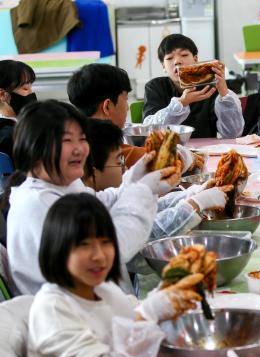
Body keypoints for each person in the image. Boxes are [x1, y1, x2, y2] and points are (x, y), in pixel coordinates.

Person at [28, 193, 202, 357]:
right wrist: (151, 311)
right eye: (84, 245)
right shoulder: (52, 309)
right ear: (58, 248)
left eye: (105, 242)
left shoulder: (103, 290)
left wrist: (169, 291)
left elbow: (135, 318)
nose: (99, 255)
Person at [5, 100, 178, 295]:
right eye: (67, 141)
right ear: (34, 148)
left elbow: (98, 203)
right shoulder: (37, 205)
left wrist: (134, 180)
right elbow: (113, 248)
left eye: (82, 139)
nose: (80, 149)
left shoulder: (62, 184)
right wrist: (142, 191)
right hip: (71, 315)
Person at [83, 118, 229, 238]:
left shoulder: (96, 197)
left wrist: (192, 193)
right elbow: (148, 233)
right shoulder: (82, 215)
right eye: (119, 162)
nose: (125, 168)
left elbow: (146, 206)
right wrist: (195, 204)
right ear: (92, 172)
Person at [67, 63, 198, 172]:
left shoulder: (75, 136)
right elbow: (153, 160)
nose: (127, 108)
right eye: (125, 99)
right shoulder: (102, 145)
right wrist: (184, 156)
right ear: (107, 106)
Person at [143, 34, 244, 139]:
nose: (177, 61)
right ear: (163, 66)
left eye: (184, 55)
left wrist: (224, 92)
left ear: (195, 60)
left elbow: (233, 134)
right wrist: (182, 102)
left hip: (205, 151)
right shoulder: (155, 87)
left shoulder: (211, 88)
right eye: (169, 58)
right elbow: (149, 130)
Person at [0, 60, 37, 160]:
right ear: (2, 95)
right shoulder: (11, 136)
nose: (31, 93)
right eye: (25, 88)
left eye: (31, 87)